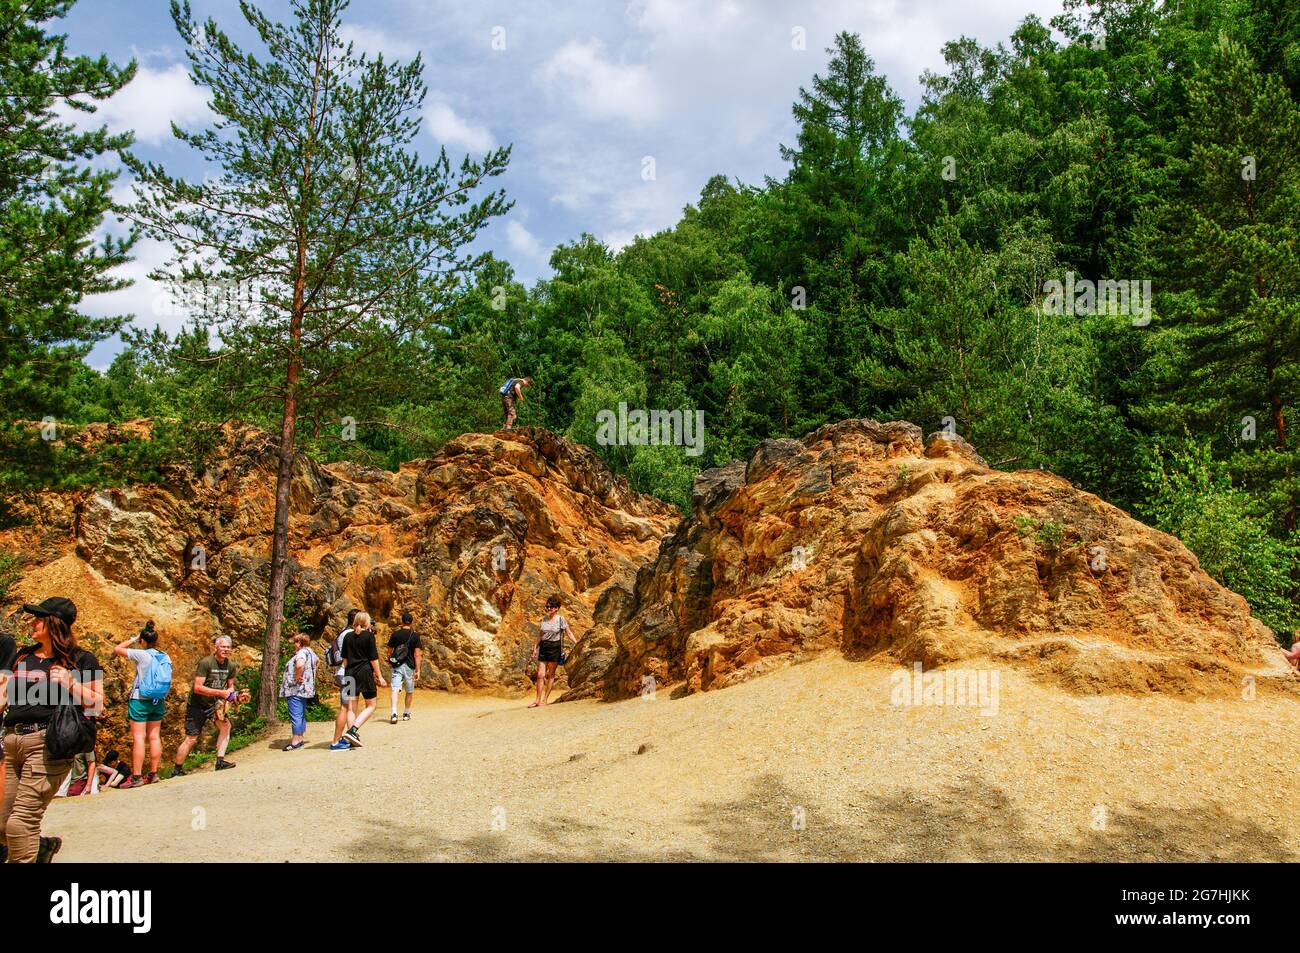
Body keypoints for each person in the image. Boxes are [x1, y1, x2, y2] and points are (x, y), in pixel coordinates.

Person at [0, 597, 104, 863]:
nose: (31, 623)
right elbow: (4, 696)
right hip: (12, 743)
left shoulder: (81, 659)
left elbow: (97, 705)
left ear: (54, 624)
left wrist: (71, 683)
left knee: (19, 824)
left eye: (38, 619)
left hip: (47, 744)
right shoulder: (23, 655)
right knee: (2, 827)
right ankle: (43, 848)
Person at [171, 636, 246, 776]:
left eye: (228, 647)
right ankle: (177, 770)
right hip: (197, 704)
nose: (226, 649)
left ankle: (220, 761)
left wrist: (233, 696)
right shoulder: (206, 663)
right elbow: (197, 688)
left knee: (225, 726)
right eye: (223, 647)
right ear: (216, 647)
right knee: (191, 738)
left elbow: (230, 686)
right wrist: (221, 692)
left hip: (215, 704)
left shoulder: (230, 666)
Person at [113, 621, 170, 788]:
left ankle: (137, 776)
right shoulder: (165, 656)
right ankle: (153, 773)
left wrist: (134, 638)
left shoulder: (142, 654)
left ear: (143, 641)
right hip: (158, 700)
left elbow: (117, 649)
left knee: (139, 737)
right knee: (154, 736)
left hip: (140, 699)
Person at [340, 612, 385, 748]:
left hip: (349, 673)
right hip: (364, 672)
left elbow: (345, 660)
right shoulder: (369, 636)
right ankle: (353, 731)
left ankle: (349, 737)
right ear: (367, 622)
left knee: (351, 708)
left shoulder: (347, 636)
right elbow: (373, 659)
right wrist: (379, 676)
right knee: (371, 705)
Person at [529, 596, 576, 709]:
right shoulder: (544, 619)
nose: (548, 608)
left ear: (556, 608)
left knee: (550, 675)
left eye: (550, 606)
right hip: (544, 647)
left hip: (555, 648)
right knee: (540, 675)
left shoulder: (561, 619)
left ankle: (545, 700)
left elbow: (568, 632)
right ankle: (537, 700)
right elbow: (540, 634)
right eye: (547, 606)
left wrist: (576, 642)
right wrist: (535, 648)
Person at [280, 632, 318, 751]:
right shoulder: (311, 652)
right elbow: (317, 663)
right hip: (306, 688)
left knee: (295, 714)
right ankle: (300, 737)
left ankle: (295, 740)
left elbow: (299, 665)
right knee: (300, 714)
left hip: (295, 689)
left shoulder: (301, 653)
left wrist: (297, 676)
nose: (294, 645)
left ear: (300, 643)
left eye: (295, 642)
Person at [330, 608, 360, 751]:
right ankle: (336, 742)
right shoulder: (350, 634)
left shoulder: (343, 632)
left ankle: (351, 736)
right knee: (345, 707)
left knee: (350, 707)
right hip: (347, 674)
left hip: (344, 673)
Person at [386, 611, 422, 724]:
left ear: (401, 622)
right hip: (410, 666)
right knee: (409, 690)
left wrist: (391, 660)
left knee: (395, 689)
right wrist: (418, 669)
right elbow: (417, 654)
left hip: (397, 665)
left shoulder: (395, 634)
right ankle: (406, 713)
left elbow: (389, 651)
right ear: (411, 622)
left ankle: (394, 713)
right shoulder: (415, 636)